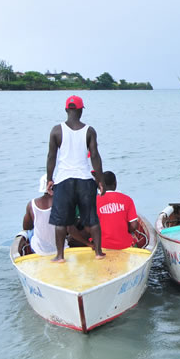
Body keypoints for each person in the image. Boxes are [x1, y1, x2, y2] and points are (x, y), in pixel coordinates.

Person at [46, 95, 104, 262]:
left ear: (66, 110)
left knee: (61, 221)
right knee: (92, 218)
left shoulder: (56, 130)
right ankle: (98, 253)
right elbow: (95, 156)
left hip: (64, 180)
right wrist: (100, 180)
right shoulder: (89, 130)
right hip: (85, 179)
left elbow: (51, 157)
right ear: (80, 110)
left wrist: (50, 179)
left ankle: (59, 256)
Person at [96, 171, 139, 250]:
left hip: (102, 245)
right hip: (125, 244)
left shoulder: (94, 201)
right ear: (115, 183)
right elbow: (134, 225)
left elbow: (89, 227)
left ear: (100, 185)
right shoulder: (127, 199)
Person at [21, 174, 60, 255]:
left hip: (39, 250)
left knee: (30, 232)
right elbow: (70, 228)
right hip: (61, 248)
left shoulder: (31, 204)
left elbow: (26, 227)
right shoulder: (62, 202)